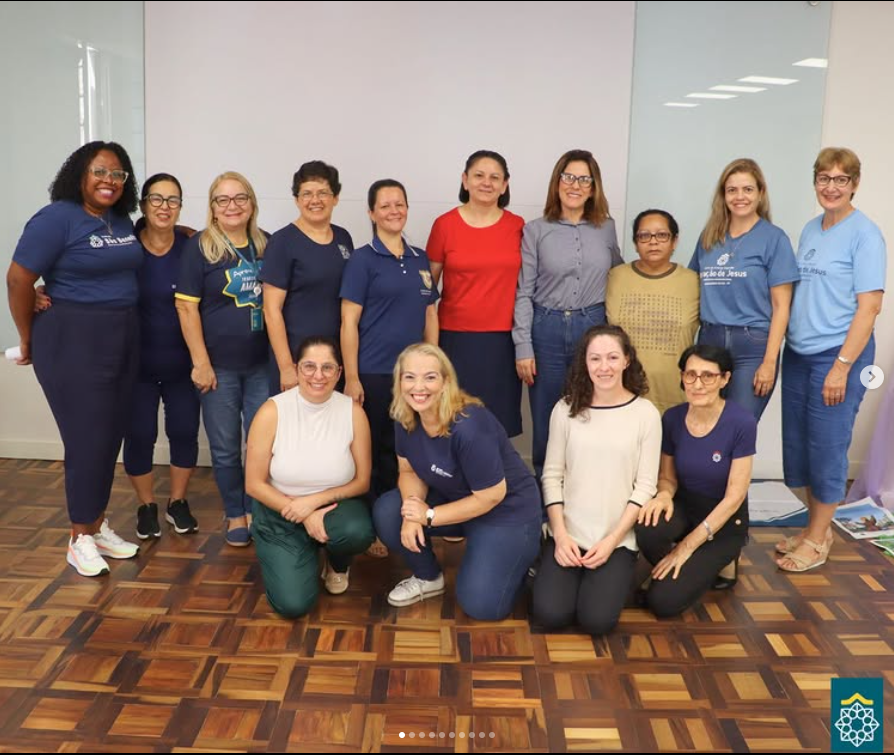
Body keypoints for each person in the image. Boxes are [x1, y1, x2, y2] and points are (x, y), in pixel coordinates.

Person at [6, 141, 142, 576]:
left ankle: (96, 527)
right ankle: (78, 538)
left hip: (123, 334)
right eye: (100, 171)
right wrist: (27, 336)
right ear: (79, 174)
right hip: (74, 338)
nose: (109, 181)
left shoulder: (119, 219)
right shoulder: (56, 218)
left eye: (118, 174)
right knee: (87, 439)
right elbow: (18, 278)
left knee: (111, 435)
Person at [373, 343, 542, 620]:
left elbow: (491, 495)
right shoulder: (405, 416)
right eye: (409, 377)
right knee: (389, 511)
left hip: (506, 510)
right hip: (457, 499)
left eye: (430, 377)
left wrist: (428, 515)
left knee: (482, 606)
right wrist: (412, 511)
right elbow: (409, 471)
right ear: (399, 381)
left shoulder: (469, 425)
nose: (419, 387)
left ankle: (523, 558)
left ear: (445, 382)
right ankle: (428, 577)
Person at [778, 147, 886, 572]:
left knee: (827, 446)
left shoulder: (865, 235)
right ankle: (813, 529)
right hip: (799, 354)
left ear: (855, 184)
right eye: (824, 178)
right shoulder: (811, 229)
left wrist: (841, 366)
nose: (831, 187)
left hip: (839, 356)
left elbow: (870, 307)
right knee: (800, 445)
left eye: (841, 179)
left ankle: (819, 538)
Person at [531, 325, 660, 635]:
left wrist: (612, 540)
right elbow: (551, 475)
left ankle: (615, 577)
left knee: (596, 622)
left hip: (615, 539)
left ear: (627, 360)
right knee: (550, 615)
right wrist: (560, 535)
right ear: (585, 363)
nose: (604, 367)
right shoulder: (565, 409)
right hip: (568, 534)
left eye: (613, 357)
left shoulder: (646, 414)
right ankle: (543, 567)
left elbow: (645, 486)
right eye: (595, 358)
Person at [340, 179, 439, 555]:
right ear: (371, 213)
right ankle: (376, 529)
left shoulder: (419, 258)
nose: (394, 211)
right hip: (374, 373)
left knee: (409, 452)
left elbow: (430, 314)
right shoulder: (362, 260)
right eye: (385, 205)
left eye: (399, 204)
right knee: (376, 453)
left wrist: (434, 369)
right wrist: (352, 376)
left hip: (414, 379)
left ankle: (405, 519)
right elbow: (348, 321)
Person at [245, 337, 375, 617]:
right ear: (296, 369)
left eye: (327, 367)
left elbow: (362, 481)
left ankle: (337, 562)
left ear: (339, 373)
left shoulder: (353, 412)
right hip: (280, 511)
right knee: (293, 605)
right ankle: (303, 547)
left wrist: (314, 503)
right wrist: (304, 514)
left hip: (334, 508)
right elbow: (253, 484)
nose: (318, 375)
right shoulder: (272, 411)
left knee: (356, 531)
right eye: (309, 366)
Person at [514, 149, 622, 477]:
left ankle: (583, 486)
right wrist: (523, 346)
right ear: (557, 182)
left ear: (593, 188)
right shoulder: (536, 230)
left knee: (589, 411)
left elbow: (618, 277)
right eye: (569, 177)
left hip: (592, 328)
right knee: (548, 415)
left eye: (584, 179)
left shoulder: (606, 228)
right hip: (545, 329)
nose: (575, 185)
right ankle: (547, 494)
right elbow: (524, 291)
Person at [175, 171, 269, 546]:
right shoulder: (199, 248)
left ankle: (257, 509)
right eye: (223, 199)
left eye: (240, 198)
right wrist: (200, 362)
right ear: (213, 208)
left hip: (262, 365)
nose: (232, 206)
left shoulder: (267, 245)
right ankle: (235, 514)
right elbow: (186, 308)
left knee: (262, 446)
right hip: (219, 368)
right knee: (226, 447)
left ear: (252, 204)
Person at [635, 344, 756, 617]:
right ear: (682, 377)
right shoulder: (672, 418)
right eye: (690, 375)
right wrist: (663, 495)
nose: (697, 384)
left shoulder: (742, 423)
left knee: (662, 602)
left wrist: (686, 547)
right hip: (685, 507)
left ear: (725, 379)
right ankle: (671, 567)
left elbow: (735, 496)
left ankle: (721, 561)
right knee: (648, 525)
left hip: (723, 520)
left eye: (708, 376)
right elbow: (667, 477)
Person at [690, 158, 799, 421]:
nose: (740, 197)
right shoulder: (709, 238)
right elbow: (692, 289)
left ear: (761, 193)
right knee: (705, 425)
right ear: (723, 195)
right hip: (710, 340)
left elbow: (781, 307)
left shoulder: (774, 239)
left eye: (748, 189)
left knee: (738, 425)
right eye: (732, 190)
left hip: (752, 346)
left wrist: (769, 362)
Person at [426, 150, 524, 437]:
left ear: (505, 185)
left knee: (497, 424)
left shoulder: (518, 226)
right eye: (479, 175)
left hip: (503, 340)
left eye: (495, 177)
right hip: (455, 339)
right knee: (454, 420)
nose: (486, 183)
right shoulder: (444, 225)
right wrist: (428, 345)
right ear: (465, 180)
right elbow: (427, 290)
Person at [125, 174, 200, 539]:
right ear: (143, 205)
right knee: (140, 435)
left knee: (184, 431)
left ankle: (177, 502)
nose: (164, 207)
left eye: (173, 200)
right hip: (136, 366)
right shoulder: (125, 249)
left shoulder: (192, 247)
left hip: (182, 365)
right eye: (156, 199)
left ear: (180, 207)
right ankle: (146, 506)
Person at [260, 161, 353, 395]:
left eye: (323, 193)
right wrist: (286, 367)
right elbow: (271, 310)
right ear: (297, 199)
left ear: (335, 197)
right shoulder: (283, 242)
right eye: (307, 194)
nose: (315, 200)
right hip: (297, 361)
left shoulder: (343, 238)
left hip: (334, 360)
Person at [606, 209, 700, 414]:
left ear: (674, 241)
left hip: (675, 398)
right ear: (635, 242)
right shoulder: (615, 277)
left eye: (662, 235)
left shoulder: (693, 282)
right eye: (644, 236)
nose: (653, 242)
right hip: (620, 395)